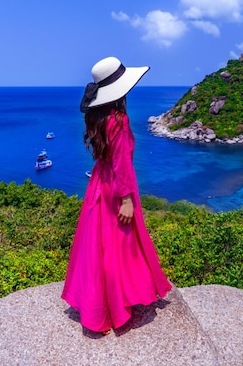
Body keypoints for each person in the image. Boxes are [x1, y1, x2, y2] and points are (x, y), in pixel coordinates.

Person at [61, 56, 172, 334]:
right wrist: (126, 199)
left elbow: (106, 157)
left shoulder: (97, 117)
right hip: (118, 187)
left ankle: (100, 302)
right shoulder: (119, 120)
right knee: (120, 244)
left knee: (100, 244)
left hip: (99, 183)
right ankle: (117, 304)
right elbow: (122, 161)